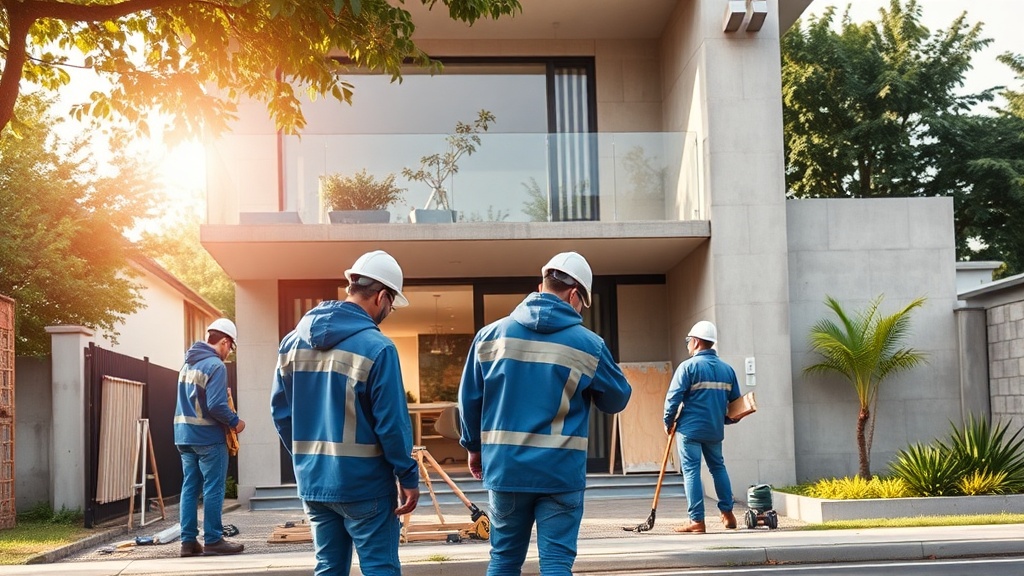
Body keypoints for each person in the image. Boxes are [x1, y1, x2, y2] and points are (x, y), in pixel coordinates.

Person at [458, 251, 632, 576]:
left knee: (504, 560)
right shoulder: (589, 345)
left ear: (541, 286)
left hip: (506, 469)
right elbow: (617, 399)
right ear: (575, 295)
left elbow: (469, 400)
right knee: (556, 564)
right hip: (560, 473)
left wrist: (473, 447)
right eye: (582, 304)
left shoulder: (489, 336)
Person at [271, 250, 420, 576]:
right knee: (380, 568)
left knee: (328, 568)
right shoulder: (378, 347)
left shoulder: (291, 343)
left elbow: (280, 414)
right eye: (391, 305)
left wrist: (308, 460)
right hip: (366, 486)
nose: (389, 311)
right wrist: (408, 477)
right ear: (381, 297)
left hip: (315, 483)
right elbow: (392, 425)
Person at [174, 318, 246, 557]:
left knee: (190, 488)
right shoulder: (215, 365)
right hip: (208, 436)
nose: (229, 352)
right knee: (213, 488)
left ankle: (188, 542)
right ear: (224, 341)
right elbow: (215, 405)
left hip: (184, 436)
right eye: (230, 347)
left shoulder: (187, 364)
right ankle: (214, 540)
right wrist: (236, 422)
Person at [663, 320, 741, 534]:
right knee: (718, 468)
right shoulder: (728, 370)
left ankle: (697, 520)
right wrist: (725, 420)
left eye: (689, 340)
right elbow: (735, 405)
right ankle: (728, 514)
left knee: (691, 472)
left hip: (689, 430)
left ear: (696, 342)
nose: (688, 344)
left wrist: (668, 423)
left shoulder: (688, 367)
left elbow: (673, 399)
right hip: (714, 430)